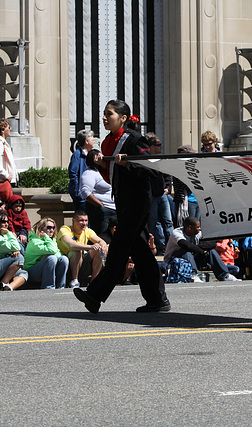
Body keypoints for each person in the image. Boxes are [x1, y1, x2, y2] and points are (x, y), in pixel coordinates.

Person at [73, 99, 170, 314]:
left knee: (118, 248)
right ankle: (157, 299)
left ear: (123, 118)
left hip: (137, 202)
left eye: (110, 114)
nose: (105, 118)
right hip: (123, 202)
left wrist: (128, 163)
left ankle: (95, 295)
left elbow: (152, 171)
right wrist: (100, 162)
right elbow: (110, 176)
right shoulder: (107, 141)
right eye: (104, 114)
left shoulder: (135, 139)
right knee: (142, 253)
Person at [164, 216, 241, 282]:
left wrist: (201, 250)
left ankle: (224, 275)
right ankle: (193, 275)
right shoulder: (177, 233)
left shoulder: (198, 233)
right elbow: (185, 245)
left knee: (211, 251)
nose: (199, 228)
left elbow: (212, 243)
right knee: (186, 251)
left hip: (192, 258)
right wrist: (201, 251)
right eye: (197, 227)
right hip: (174, 261)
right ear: (189, 228)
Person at [57, 210, 108, 288]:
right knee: (77, 250)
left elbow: (100, 241)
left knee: (98, 250)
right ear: (73, 221)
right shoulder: (65, 229)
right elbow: (71, 245)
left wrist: (103, 246)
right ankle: (74, 280)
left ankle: (94, 282)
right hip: (66, 265)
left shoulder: (87, 231)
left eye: (86, 220)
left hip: (81, 264)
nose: (84, 223)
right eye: (81, 220)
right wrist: (90, 247)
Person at [146, 133, 174, 252]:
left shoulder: (162, 159)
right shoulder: (146, 159)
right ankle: (156, 246)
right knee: (153, 223)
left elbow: (168, 175)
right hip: (152, 196)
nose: (160, 147)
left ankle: (171, 245)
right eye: (158, 145)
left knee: (168, 221)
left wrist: (167, 187)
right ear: (151, 147)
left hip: (162, 195)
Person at [25, 218, 69, 289]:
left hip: (46, 270)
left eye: (53, 228)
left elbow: (58, 255)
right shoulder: (34, 242)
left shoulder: (52, 241)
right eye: (48, 227)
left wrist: (48, 254)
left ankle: (60, 286)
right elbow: (53, 251)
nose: (51, 230)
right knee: (51, 258)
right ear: (41, 229)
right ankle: (49, 287)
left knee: (64, 259)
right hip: (32, 273)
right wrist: (46, 237)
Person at [80, 148, 115, 235]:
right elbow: (85, 192)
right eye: (99, 156)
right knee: (103, 237)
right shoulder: (89, 173)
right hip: (103, 211)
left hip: (113, 209)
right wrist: (100, 205)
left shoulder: (104, 172)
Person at [0, 118, 18, 201]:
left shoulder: (2, 142)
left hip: (5, 180)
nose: (10, 129)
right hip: (2, 181)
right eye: (8, 127)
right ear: (2, 130)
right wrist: (5, 175)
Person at [68, 129, 95, 210]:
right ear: (86, 141)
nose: (94, 141)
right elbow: (73, 173)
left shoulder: (91, 154)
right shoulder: (77, 155)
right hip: (81, 193)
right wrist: (77, 189)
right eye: (92, 139)